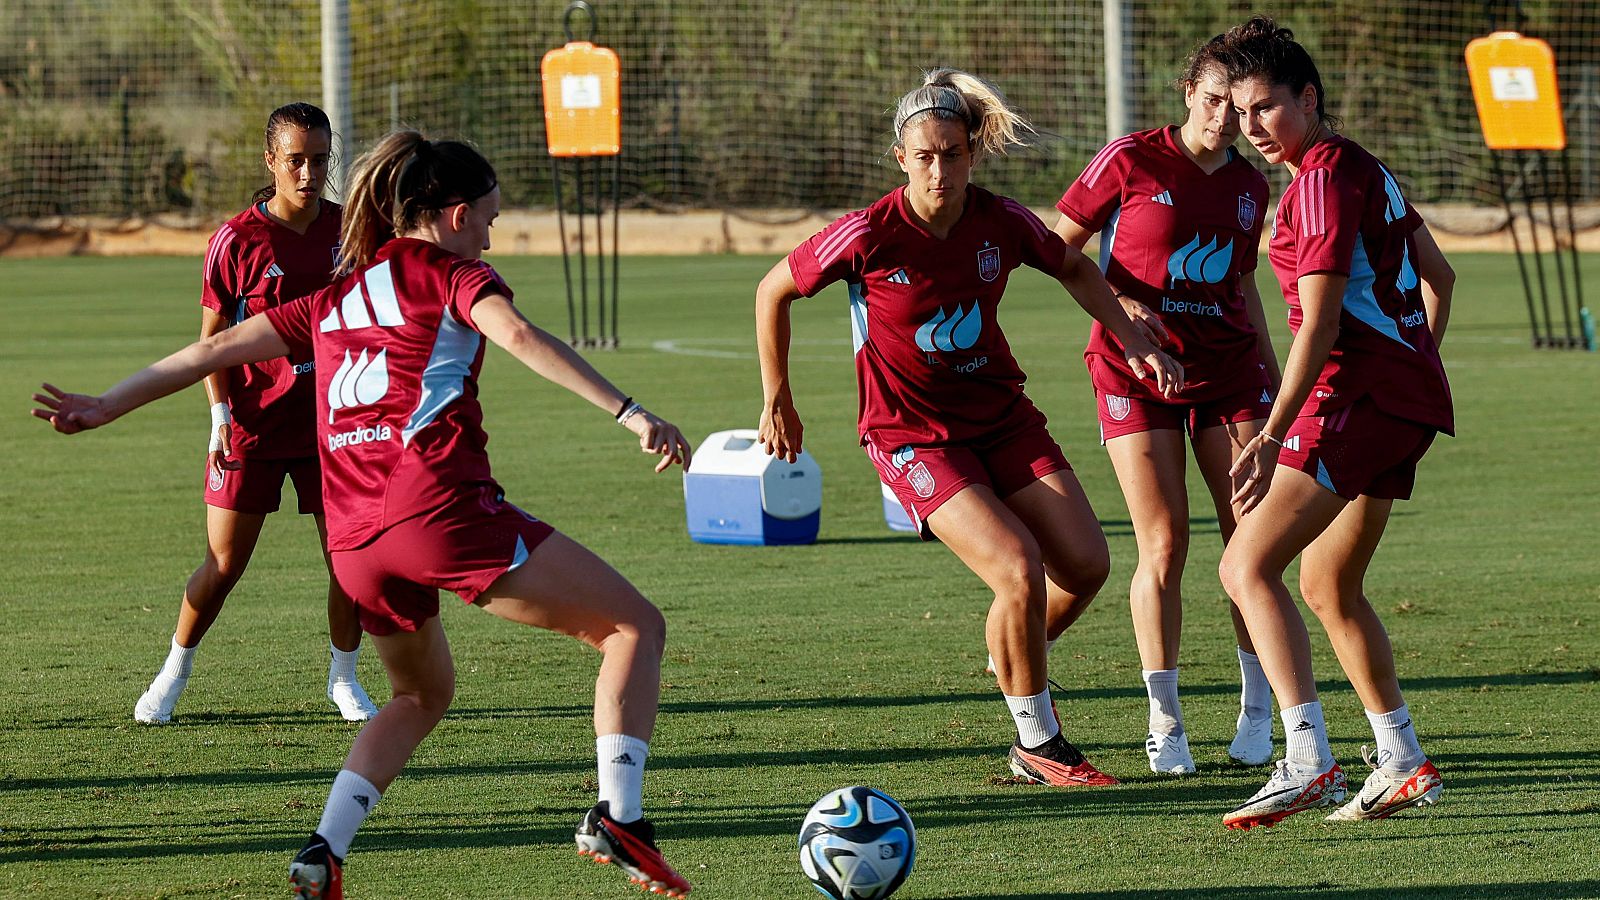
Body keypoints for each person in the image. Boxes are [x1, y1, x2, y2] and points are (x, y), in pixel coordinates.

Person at [33, 131, 695, 898]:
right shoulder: (454, 274)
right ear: (450, 216)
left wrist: (106, 404)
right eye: (487, 216)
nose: (491, 232)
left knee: (421, 695)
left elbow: (206, 354)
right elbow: (515, 334)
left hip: (353, 545)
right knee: (632, 626)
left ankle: (324, 849)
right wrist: (630, 411)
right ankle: (621, 817)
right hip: (435, 513)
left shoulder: (332, 295)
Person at [756, 68, 1183, 788]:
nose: (940, 169)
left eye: (953, 153)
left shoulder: (1002, 221)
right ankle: (1037, 742)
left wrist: (1131, 334)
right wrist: (777, 397)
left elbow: (1075, 268)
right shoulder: (868, 233)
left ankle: (1011, 651)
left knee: (1086, 567)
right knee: (1017, 568)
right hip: (910, 435)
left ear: (972, 154)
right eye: (925, 155)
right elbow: (773, 289)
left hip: (1002, 419)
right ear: (901, 158)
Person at [1213, 16, 1454, 827]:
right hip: (1401, 399)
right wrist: (1416, 362)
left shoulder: (1317, 181)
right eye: (1240, 113)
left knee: (1245, 568)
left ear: (1307, 98)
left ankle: (1306, 759)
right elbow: (1440, 276)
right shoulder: (1361, 164)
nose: (1252, 127)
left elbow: (1316, 326)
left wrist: (1276, 430)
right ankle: (1401, 760)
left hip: (1358, 399)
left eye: (1267, 107)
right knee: (1326, 583)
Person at [1050, 35, 1281, 774]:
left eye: (1238, 107)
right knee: (1166, 543)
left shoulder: (1252, 185)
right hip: (1131, 370)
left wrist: (1274, 377)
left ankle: (1256, 711)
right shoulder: (1130, 160)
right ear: (1187, 93)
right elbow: (1061, 248)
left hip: (1230, 371)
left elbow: (1244, 283)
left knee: (1250, 542)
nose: (1224, 118)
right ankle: (1166, 718)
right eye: (1213, 101)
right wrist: (1119, 304)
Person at [134, 102, 378, 725]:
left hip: (335, 426)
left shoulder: (350, 232)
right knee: (223, 565)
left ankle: (343, 678)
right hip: (252, 423)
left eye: (320, 160)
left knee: (350, 561)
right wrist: (218, 418)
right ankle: (173, 672)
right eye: (295, 160)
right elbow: (210, 341)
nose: (308, 173)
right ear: (271, 161)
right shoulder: (236, 240)